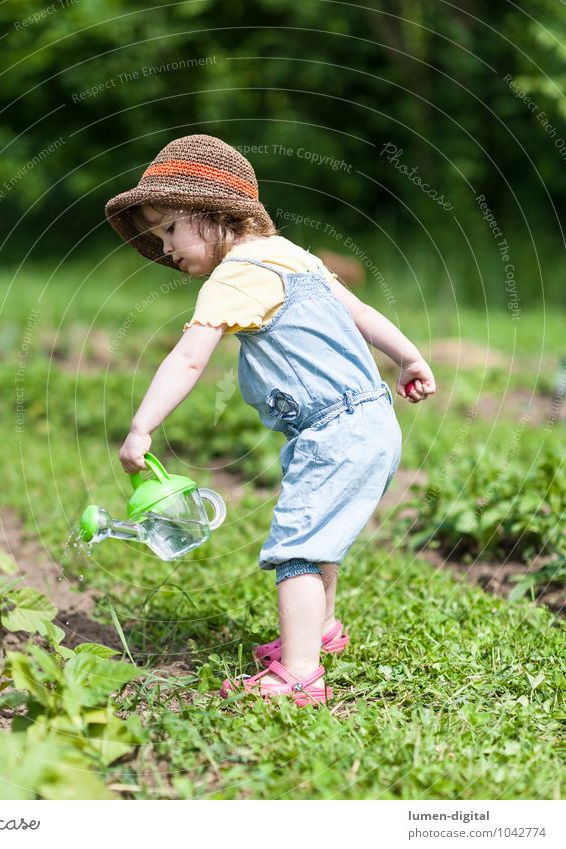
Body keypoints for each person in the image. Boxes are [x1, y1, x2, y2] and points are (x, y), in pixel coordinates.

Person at [105, 134, 436, 707]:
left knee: (297, 549)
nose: (165, 248)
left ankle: (300, 676)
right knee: (319, 538)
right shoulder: (292, 254)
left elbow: (187, 356)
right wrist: (408, 356)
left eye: (169, 230)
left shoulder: (234, 276)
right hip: (370, 421)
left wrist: (141, 427)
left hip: (335, 432)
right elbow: (359, 313)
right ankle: (321, 633)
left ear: (211, 214)